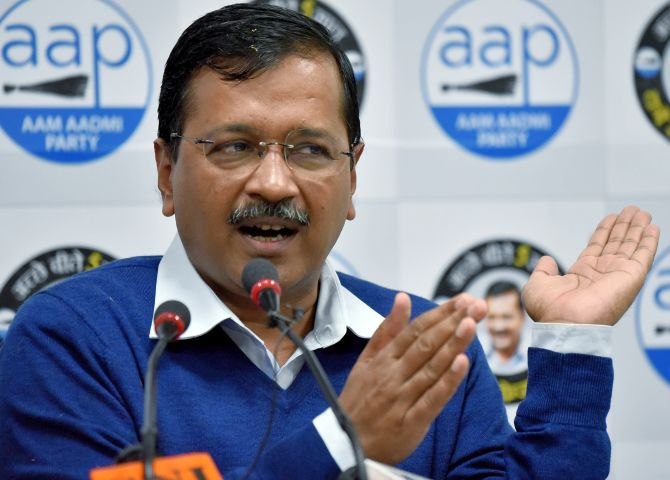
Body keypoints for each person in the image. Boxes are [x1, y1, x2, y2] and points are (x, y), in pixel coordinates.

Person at [0, 4, 660, 479]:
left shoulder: (423, 348)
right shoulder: (76, 338)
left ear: (352, 180)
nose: (274, 182)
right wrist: (341, 445)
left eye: (310, 150)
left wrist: (574, 343)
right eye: (235, 146)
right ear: (167, 171)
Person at [483, 281, 529, 423]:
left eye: (506, 317)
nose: (499, 327)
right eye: (492, 317)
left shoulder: (539, 355)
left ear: (522, 317)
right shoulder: (472, 354)